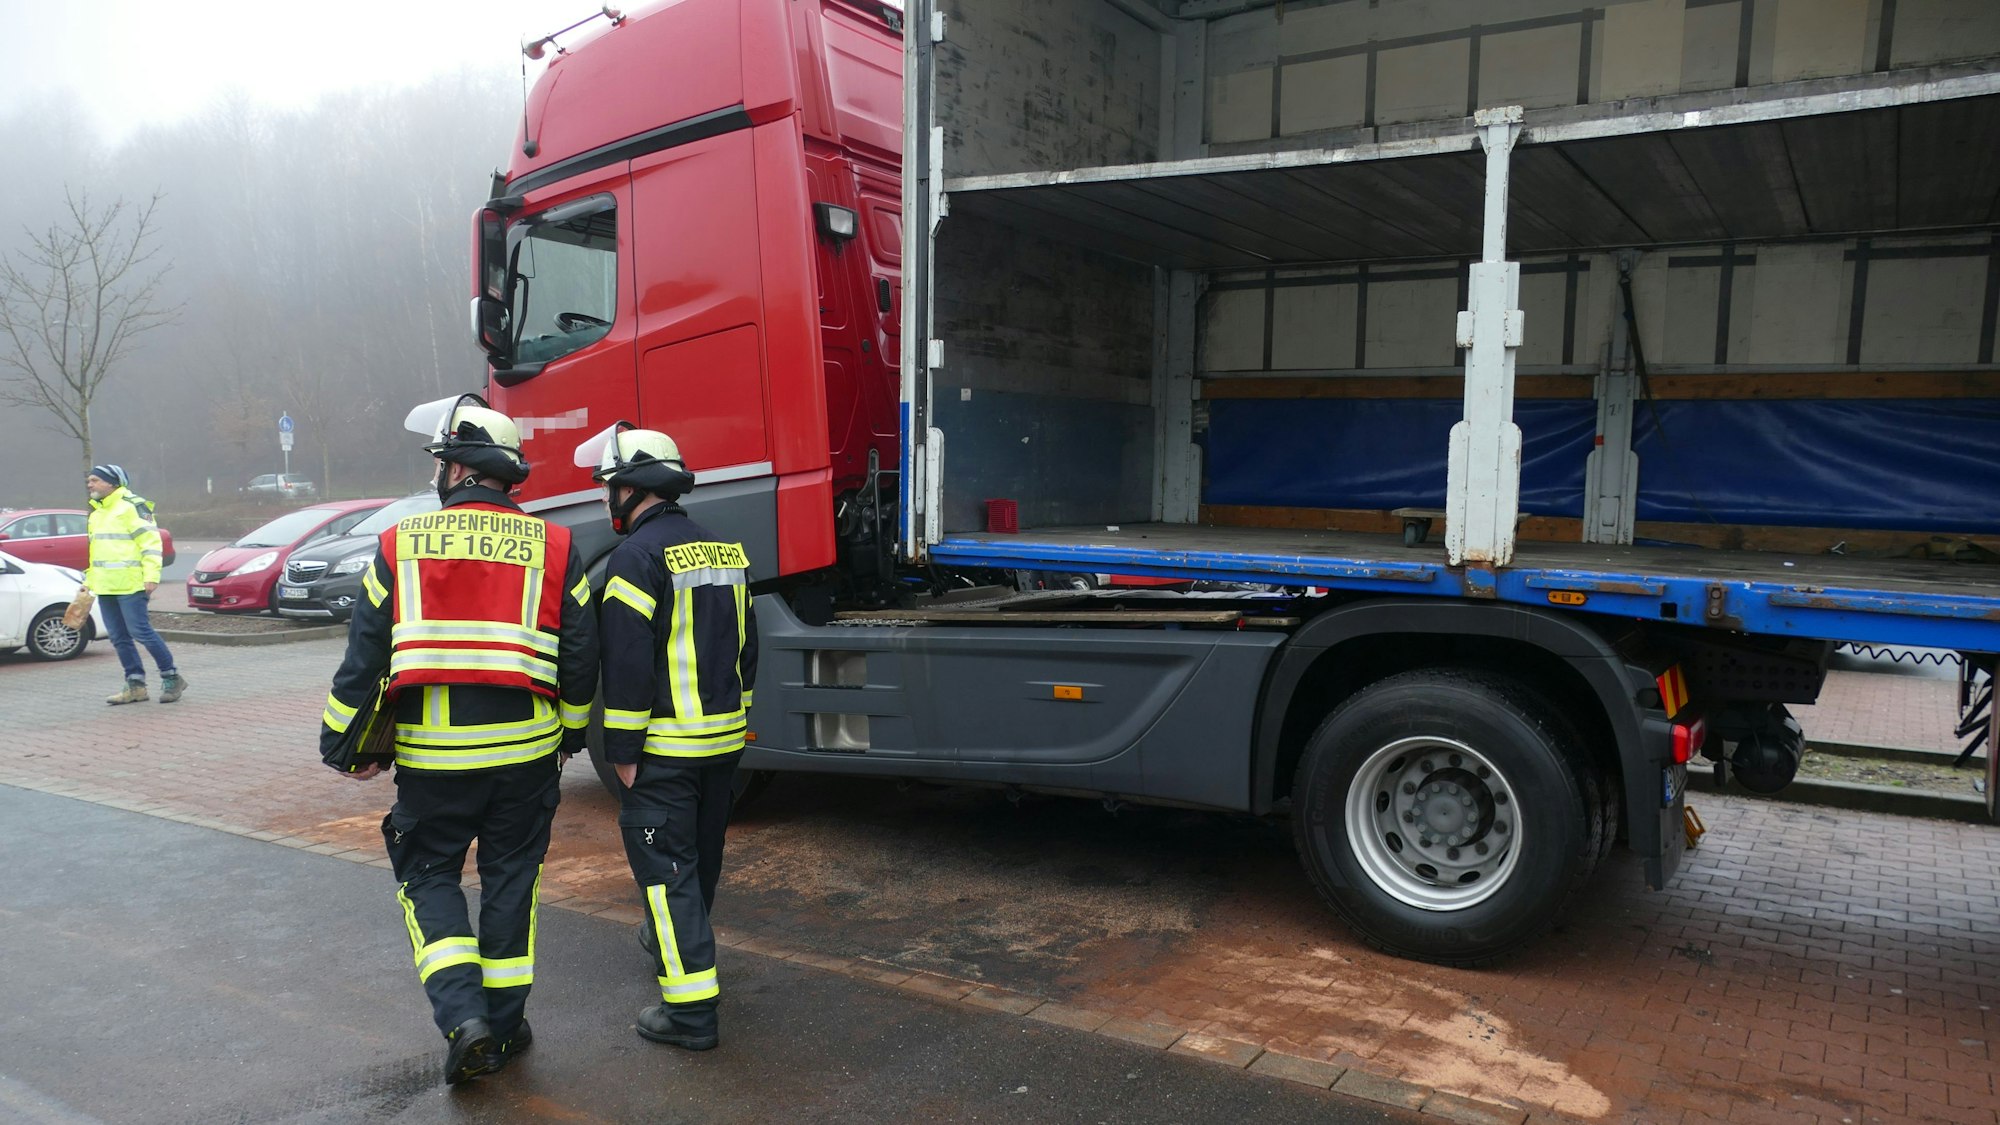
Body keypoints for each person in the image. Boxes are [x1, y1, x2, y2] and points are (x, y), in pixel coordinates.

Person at [319, 394, 597, 1086]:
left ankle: (463, 1019)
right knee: (511, 881)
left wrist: (342, 744)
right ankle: (503, 1027)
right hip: (528, 759)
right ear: (508, 474)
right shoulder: (559, 547)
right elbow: (582, 661)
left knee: (428, 876)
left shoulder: (399, 544)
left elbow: (364, 659)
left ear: (456, 470)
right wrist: (570, 733)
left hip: (432, 764)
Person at [583, 422, 757, 1051]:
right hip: (722, 746)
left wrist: (623, 752)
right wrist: (739, 725)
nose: (607, 501)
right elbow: (747, 650)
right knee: (699, 865)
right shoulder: (723, 550)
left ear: (630, 489)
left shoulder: (633, 559)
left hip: (664, 752)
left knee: (667, 873)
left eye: (610, 489)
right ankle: (677, 948)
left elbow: (626, 664)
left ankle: (689, 1013)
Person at [84, 464, 185, 705]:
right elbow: (97, 553)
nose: (90, 485)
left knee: (142, 633)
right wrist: (88, 582)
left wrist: (151, 576)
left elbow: (151, 543)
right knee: (118, 637)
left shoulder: (132, 506)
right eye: (89, 480)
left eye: (95, 480)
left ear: (112, 483)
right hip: (106, 586)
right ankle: (135, 685)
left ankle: (172, 677)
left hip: (131, 584)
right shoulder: (97, 513)